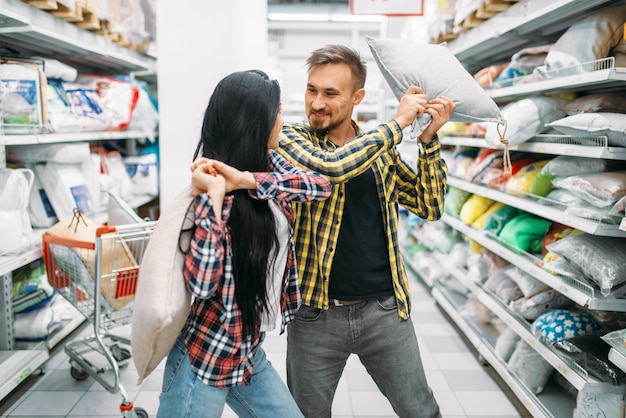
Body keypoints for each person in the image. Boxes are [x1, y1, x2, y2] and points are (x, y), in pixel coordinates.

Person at [276, 45, 455, 418]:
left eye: (330, 93)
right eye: (312, 90)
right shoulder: (293, 139)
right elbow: (333, 167)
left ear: (358, 97)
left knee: (421, 411)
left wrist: (428, 143)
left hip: (385, 311)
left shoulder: (380, 149)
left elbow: (430, 207)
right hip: (315, 313)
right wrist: (398, 124)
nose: (317, 103)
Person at [156, 69, 331, 418]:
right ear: (255, 123)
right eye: (277, 112)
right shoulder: (209, 192)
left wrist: (247, 179)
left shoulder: (266, 165)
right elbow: (203, 282)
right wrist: (215, 197)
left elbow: (319, 185)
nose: (283, 120)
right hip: (205, 358)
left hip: (247, 349)